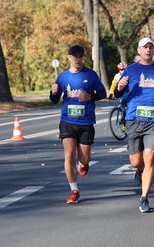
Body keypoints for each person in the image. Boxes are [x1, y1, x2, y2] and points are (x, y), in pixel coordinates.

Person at [114, 37, 154, 212]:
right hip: (134, 118)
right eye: (145, 47)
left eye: (151, 47)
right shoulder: (131, 70)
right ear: (139, 51)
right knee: (135, 161)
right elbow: (117, 93)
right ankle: (138, 170)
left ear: (153, 50)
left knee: (150, 157)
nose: (148, 50)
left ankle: (144, 198)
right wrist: (120, 86)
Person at [50, 45, 106, 203]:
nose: (77, 59)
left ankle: (84, 163)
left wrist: (90, 97)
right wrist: (53, 93)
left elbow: (102, 93)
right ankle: (74, 190)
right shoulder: (62, 77)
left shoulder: (91, 75)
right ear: (69, 58)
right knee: (68, 155)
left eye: (80, 56)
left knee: (84, 158)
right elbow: (54, 99)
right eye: (75, 56)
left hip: (86, 122)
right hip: (67, 121)